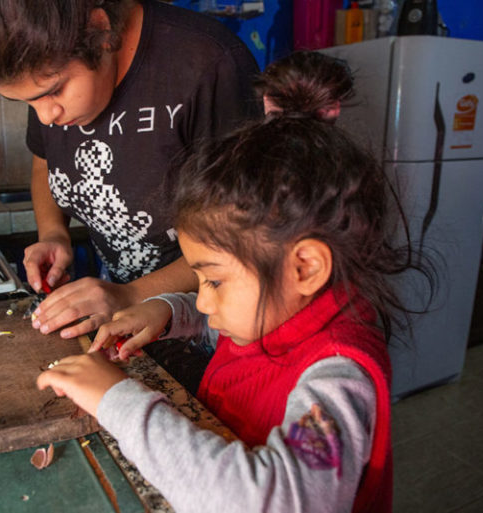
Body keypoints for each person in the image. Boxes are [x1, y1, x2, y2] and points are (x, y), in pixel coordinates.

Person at [36, 60, 433, 512]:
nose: (204, 298)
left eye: (215, 279)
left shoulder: (339, 381)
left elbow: (270, 501)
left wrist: (117, 400)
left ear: (304, 268)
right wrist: (169, 312)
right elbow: (240, 340)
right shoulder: (285, 308)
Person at [0, 0, 262, 340]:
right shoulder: (46, 75)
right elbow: (44, 159)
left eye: (53, 92)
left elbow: (244, 233)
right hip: (123, 304)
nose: (46, 116)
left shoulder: (209, 63)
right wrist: (53, 234)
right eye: (27, 103)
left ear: (99, 31)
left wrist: (130, 295)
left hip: (215, 322)